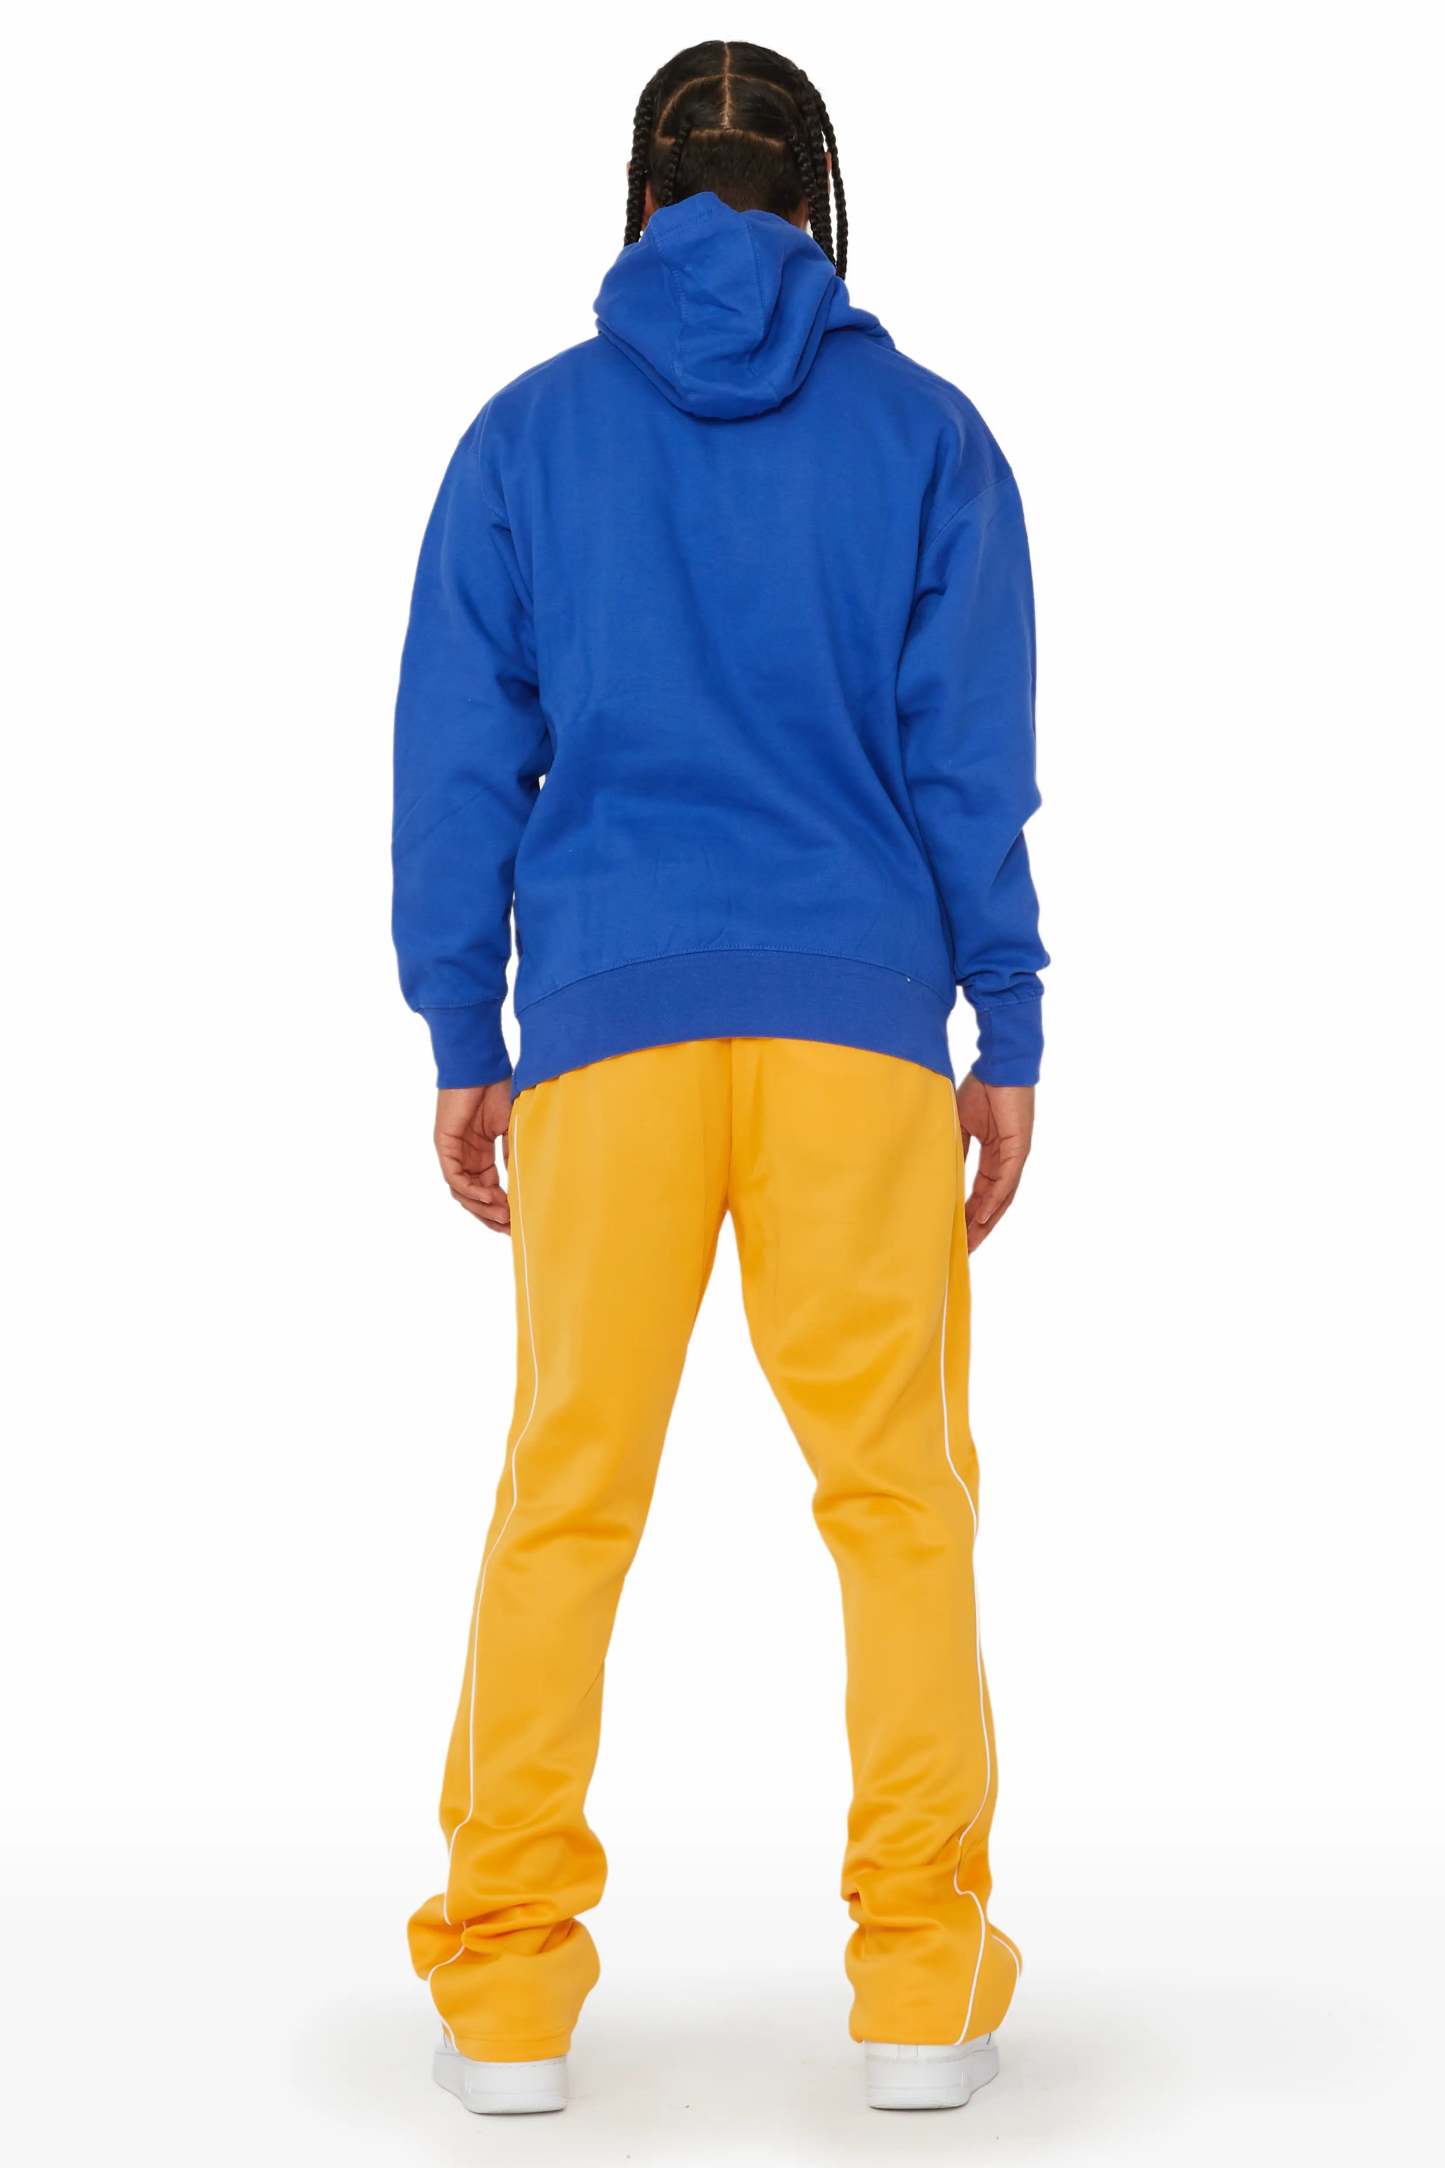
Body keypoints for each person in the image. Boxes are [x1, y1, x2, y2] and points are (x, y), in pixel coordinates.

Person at [392, 38, 1046, 2119]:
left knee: (565, 1495)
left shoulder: (526, 438)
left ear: (643, 193)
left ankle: (505, 1995)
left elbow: (456, 759)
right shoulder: (929, 437)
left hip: (606, 1024)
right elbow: (967, 765)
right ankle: (921, 1987)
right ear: (820, 201)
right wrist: (1005, 1023)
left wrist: (464, 1030)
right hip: (861, 1029)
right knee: (898, 1502)